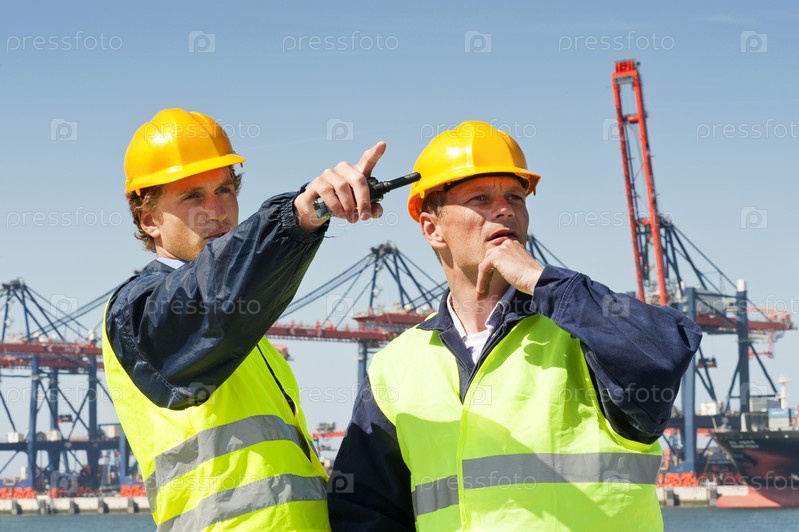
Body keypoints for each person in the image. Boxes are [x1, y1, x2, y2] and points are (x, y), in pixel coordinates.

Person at [327, 121, 702, 531]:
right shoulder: (395, 367)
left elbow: (666, 350)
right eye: (480, 198)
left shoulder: (581, 331)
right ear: (432, 228)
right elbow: (364, 510)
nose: (504, 209)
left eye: (515, 197)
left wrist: (546, 283)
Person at [102, 108, 385, 531]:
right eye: (192, 196)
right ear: (150, 220)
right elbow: (210, 300)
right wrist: (300, 215)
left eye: (224, 190)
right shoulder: (136, 315)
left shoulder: (251, 341)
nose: (216, 210)